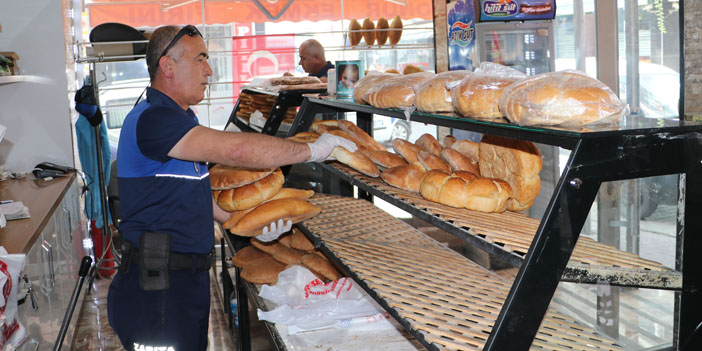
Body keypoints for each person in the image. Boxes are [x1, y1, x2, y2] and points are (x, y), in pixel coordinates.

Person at [107, 25, 357, 351]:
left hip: (182, 284)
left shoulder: (181, 118)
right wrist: (312, 151)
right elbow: (234, 151)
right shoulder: (155, 119)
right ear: (167, 66)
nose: (209, 70)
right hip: (156, 292)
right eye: (200, 59)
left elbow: (199, 195)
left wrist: (253, 229)